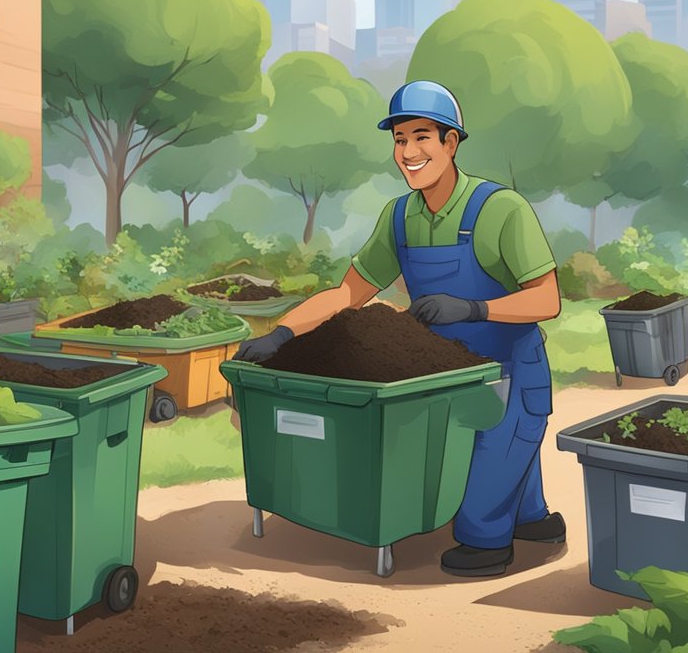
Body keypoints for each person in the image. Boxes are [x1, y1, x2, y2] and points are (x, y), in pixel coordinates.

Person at [232, 80, 564, 578]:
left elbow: (547, 298)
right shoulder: (401, 217)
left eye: (422, 137)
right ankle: (532, 518)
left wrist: (474, 310)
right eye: (400, 139)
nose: (408, 152)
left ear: (451, 143)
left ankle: (490, 543)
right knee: (480, 455)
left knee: (489, 475)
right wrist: (282, 334)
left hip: (509, 369)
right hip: (443, 369)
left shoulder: (500, 210)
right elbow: (348, 293)